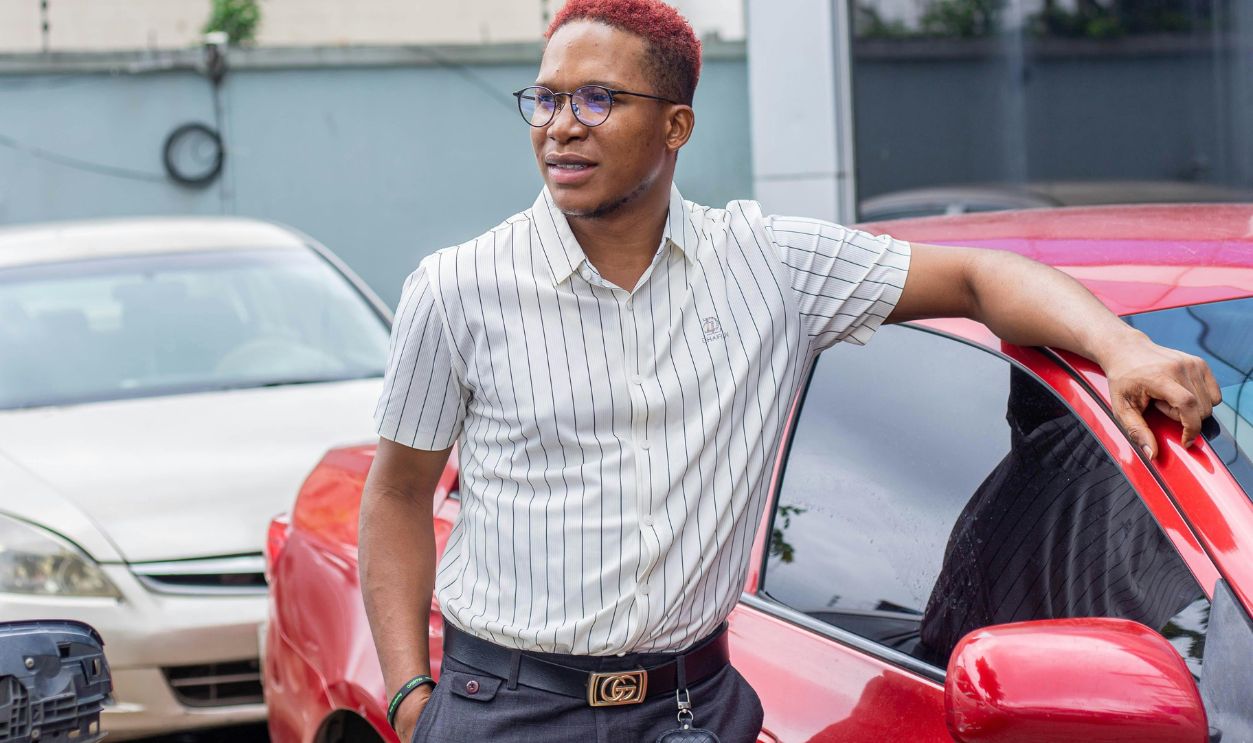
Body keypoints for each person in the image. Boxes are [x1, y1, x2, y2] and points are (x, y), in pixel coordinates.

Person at [359, 1, 1222, 741]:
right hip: (506, 709)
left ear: (675, 125)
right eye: (544, 98)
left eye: (596, 98)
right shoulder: (457, 288)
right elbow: (398, 493)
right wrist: (409, 698)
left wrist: (1122, 348)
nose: (560, 124)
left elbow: (979, 277)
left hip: (693, 706)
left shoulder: (768, 263)